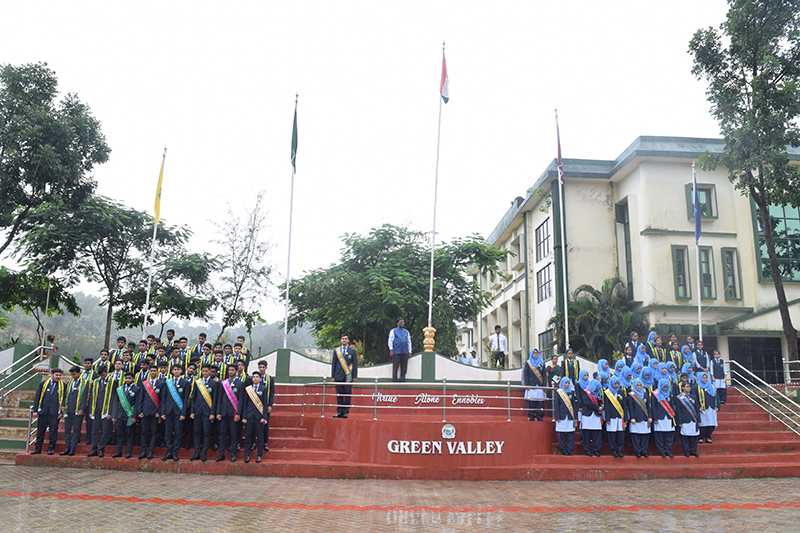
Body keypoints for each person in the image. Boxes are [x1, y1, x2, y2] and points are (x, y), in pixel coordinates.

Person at [239, 371, 272, 463]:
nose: (255, 378)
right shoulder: (248, 389)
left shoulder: (263, 389)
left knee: (260, 437)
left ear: (260, 379)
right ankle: (247, 455)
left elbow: (265, 404)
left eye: (257, 377)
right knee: (248, 437)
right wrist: (244, 417)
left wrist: (264, 417)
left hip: (259, 417)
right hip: (249, 416)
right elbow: (245, 404)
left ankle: (259, 455)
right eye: (254, 377)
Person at [189, 364, 218, 462]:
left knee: (206, 433)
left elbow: (215, 400)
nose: (204, 373)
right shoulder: (198, 382)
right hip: (197, 411)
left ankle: (204, 453)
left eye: (206, 371)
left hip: (207, 412)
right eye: (203, 371)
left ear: (210, 371)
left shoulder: (214, 383)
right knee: (196, 432)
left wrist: (212, 413)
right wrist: (192, 411)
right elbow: (193, 398)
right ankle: (196, 452)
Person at [160, 364, 189, 461]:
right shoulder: (167, 382)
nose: (176, 371)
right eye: (175, 369)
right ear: (172, 371)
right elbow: (163, 398)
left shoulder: (185, 383)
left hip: (179, 411)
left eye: (178, 369)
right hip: (168, 411)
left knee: (178, 432)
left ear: (181, 371)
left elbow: (185, 400)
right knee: (167, 432)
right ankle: (168, 451)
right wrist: (163, 412)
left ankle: (175, 452)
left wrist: (183, 413)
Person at [216, 365, 243, 462]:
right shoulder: (224, 383)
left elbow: (241, 400)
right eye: (229, 370)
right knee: (222, 434)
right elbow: (220, 398)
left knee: (233, 434)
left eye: (232, 370)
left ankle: (233, 455)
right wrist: (218, 412)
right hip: (223, 412)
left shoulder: (240, 384)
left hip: (233, 413)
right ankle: (221, 454)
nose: (230, 372)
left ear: (236, 371)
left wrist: (238, 413)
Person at [111, 372, 140, 458]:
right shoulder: (120, 389)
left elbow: (137, 404)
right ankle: (119, 451)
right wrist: (114, 415)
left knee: (130, 435)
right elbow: (115, 402)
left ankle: (128, 452)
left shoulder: (137, 389)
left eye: (129, 378)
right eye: (126, 378)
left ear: (133, 379)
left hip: (130, 416)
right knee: (119, 434)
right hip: (119, 415)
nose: (127, 380)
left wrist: (134, 416)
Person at [136, 365, 162, 459]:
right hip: (144, 412)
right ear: (149, 372)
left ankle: (151, 451)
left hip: (155, 413)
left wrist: (159, 412)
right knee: (143, 432)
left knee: (154, 433)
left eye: (155, 371)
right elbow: (140, 399)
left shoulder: (161, 384)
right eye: (151, 371)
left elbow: (162, 399)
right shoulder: (144, 383)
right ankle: (143, 451)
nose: (153, 372)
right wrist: (139, 411)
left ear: (157, 372)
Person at [61, 366, 87, 456]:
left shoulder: (85, 383)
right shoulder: (70, 382)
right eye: (72, 374)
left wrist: (82, 409)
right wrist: (63, 405)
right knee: (67, 430)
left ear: (79, 373)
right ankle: (67, 448)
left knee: (76, 430)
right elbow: (66, 395)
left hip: (77, 410)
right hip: (68, 409)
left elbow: (85, 397)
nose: (73, 376)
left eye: (75, 374)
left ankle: (73, 449)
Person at [87, 366, 111, 457]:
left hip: (106, 409)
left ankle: (101, 449)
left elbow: (114, 398)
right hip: (96, 409)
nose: (102, 377)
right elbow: (92, 396)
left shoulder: (112, 382)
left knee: (105, 431)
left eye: (103, 375)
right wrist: (90, 410)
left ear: (107, 372)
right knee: (94, 431)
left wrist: (111, 412)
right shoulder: (96, 381)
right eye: (100, 375)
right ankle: (94, 449)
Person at [333, 334, 358, 419]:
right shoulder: (336, 351)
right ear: (340, 340)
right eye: (343, 339)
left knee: (347, 394)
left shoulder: (352, 351)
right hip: (338, 376)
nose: (344, 340)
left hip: (348, 376)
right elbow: (334, 364)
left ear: (348, 341)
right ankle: (339, 411)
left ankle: (346, 411)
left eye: (346, 339)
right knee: (339, 394)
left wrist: (355, 376)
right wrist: (333, 376)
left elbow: (355, 364)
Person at [675, 381, 701, 457]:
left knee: (694, 436)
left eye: (689, 387)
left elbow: (697, 409)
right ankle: (686, 451)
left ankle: (693, 450)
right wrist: (679, 421)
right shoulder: (679, 398)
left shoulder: (694, 397)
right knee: (684, 437)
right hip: (684, 420)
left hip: (693, 419)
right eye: (687, 387)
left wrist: (698, 419)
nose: (689, 388)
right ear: (683, 388)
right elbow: (678, 410)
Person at [627, 377, 651, 458]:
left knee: (645, 435)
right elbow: (630, 407)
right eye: (637, 385)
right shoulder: (631, 395)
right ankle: (637, 451)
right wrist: (632, 417)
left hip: (645, 417)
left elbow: (648, 407)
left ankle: (644, 451)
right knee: (636, 436)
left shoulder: (645, 394)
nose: (639, 386)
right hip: (636, 418)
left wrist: (650, 416)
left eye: (640, 385)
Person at [652, 378, 676, 458]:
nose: (665, 388)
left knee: (669, 435)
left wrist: (673, 417)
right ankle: (662, 451)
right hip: (659, 417)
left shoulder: (669, 393)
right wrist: (655, 418)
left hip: (668, 417)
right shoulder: (655, 394)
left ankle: (668, 450)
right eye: (663, 387)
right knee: (659, 436)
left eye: (666, 387)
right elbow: (653, 407)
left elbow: (671, 406)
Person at [578, 379, 603, 456]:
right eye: (597, 388)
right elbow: (587, 403)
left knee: (596, 433)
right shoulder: (585, 392)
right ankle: (587, 450)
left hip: (596, 415)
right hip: (587, 415)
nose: (598, 390)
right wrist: (597, 408)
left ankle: (596, 450)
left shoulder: (598, 393)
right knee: (586, 434)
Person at [553, 377, 576, 456]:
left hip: (570, 416)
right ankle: (563, 450)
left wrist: (575, 417)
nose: (567, 384)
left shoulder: (571, 392)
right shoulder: (558, 392)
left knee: (571, 434)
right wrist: (557, 416)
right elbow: (556, 405)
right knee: (561, 434)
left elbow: (574, 405)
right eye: (566, 383)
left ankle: (570, 450)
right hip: (561, 416)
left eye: (568, 383)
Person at [604, 376, 626, 458]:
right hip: (611, 417)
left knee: (621, 435)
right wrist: (607, 418)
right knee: (612, 435)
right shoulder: (607, 393)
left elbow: (624, 406)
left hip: (620, 417)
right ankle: (613, 450)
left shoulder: (621, 392)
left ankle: (620, 450)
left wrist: (625, 418)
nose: (616, 385)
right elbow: (607, 407)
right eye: (615, 384)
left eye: (617, 384)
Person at [522, 349, 546, 421]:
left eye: (537, 353)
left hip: (539, 385)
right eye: (534, 353)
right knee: (531, 402)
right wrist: (527, 385)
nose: (536, 354)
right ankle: (531, 416)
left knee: (540, 402)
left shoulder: (542, 363)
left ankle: (539, 416)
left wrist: (544, 385)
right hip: (531, 385)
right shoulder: (528, 363)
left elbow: (544, 375)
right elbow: (526, 375)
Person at [697, 372, 719, 444]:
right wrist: (698, 407)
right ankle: (701, 437)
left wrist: (718, 406)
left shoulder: (712, 387)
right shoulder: (697, 387)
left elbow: (716, 397)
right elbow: (695, 399)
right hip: (703, 409)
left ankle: (708, 436)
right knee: (703, 424)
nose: (705, 379)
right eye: (703, 378)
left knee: (711, 423)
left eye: (706, 378)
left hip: (711, 408)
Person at [388, 318, 411, 382]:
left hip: (404, 351)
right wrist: (391, 350)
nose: (402, 323)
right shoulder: (393, 331)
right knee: (396, 366)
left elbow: (409, 342)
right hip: (397, 351)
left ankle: (402, 379)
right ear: (397, 324)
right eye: (401, 322)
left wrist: (409, 351)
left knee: (404, 366)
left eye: (403, 322)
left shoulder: (406, 332)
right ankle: (394, 379)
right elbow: (390, 340)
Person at [81, 357, 97, 445]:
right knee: (78, 421)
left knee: (89, 422)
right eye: (85, 363)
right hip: (81, 400)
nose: (87, 365)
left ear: (92, 365)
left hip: (91, 400)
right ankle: (78, 438)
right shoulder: (81, 374)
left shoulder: (95, 375)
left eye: (88, 363)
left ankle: (88, 438)